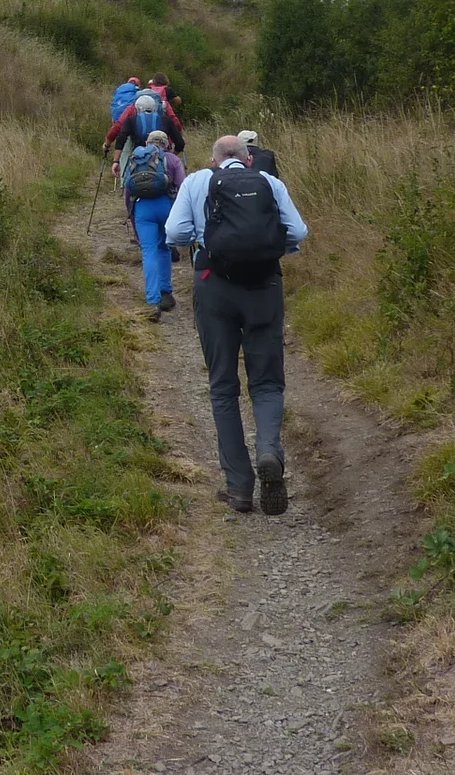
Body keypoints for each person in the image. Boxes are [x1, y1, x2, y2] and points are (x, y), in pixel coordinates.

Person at [165, 134, 309, 516]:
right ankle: (269, 452)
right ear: (247, 160)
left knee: (223, 386)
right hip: (264, 286)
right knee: (266, 381)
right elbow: (298, 232)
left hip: (214, 286)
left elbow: (175, 232)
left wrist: (201, 240)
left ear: (214, 161)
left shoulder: (197, 181)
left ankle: (240, 487)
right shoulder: (269, 182)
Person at [122, 130, 187, 319]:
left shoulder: (136, 158)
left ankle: (152, 300)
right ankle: (166, 291)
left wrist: (132, 216)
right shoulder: (172, 160)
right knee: (164, 249)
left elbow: (128, 192)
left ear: (148, 143)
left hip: (143, 208)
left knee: (148, 251)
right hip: (166, 206)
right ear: (166, 144)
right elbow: (182, 188)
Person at [105, 90, 186, 166]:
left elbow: (120, 137)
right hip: (160, 159)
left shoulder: (131, 119)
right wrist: (171, 155)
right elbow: (180, 143)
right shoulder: (166, 119)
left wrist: (116, 161)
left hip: (137, 157)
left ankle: (124, 179)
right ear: (155, 107)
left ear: (137, 108)